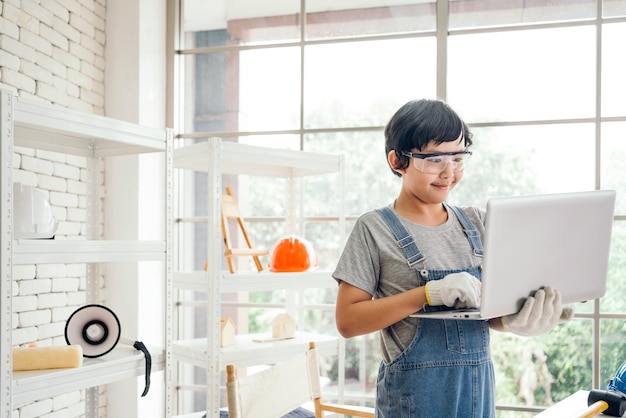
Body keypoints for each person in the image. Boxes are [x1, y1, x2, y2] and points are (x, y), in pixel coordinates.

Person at [332, 98, 573, 417]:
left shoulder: (477, 222)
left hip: (476, 395)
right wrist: (427, 294)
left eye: (458, 158)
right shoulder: (374, 229)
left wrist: (516, 320)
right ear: (397, 160)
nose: (449, 172)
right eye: (434, 160)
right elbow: (347, 322)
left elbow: (486, 316)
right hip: (413, 401)